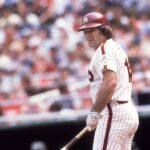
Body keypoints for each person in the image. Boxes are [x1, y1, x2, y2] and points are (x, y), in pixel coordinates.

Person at [77, 12, 139, 150]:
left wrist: (95, 112)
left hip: (114, 113)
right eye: (85, 31)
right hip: (125, 111)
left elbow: (110, 82)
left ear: (103, 29)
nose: (87, 35)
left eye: (91, 30)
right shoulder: (113, 46)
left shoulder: (105, 49)